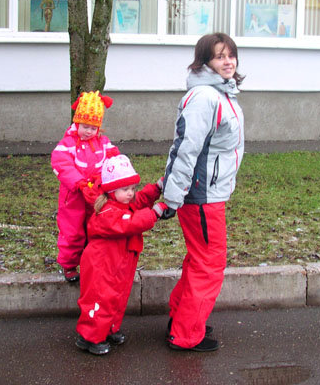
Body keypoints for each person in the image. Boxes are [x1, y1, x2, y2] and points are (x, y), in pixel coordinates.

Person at [162, 32, 245, 352]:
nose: (228, 61)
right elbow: (185, 149)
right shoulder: (205, 97)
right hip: (201, 196)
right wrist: (173, 196)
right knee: (209, 264)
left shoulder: (222, 94)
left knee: (200, 260)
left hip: (208, 193)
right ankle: (185, 334)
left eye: (231, 55)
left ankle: (181, 318)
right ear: (205, 62)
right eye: (219, 56)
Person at [75, 154, 171, 355]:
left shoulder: (122, 202)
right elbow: (129, 223)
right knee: (100, 298)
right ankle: (90, 337)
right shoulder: (106, 212)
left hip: (119, 263)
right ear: (112, 190)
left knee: (117, 297)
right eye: (125, 189)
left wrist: (157, 188)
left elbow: (140, 200)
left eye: (132, 188)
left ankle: (109, 329)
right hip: (102, 264)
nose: (130, 193)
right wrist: (154, 213)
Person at [51, 90, 119, 282]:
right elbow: (61, 164)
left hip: (96, 195)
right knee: (72, 230)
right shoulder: (68, 144)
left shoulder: (103, 143)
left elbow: (114, 159)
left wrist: (107, 178)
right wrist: (79, 182)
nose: (89, 131)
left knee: (95, 228)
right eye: (85, 126)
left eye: (93, 127)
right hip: (73, 197)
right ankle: (69, 264)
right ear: (76, 123)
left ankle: (94, 262)